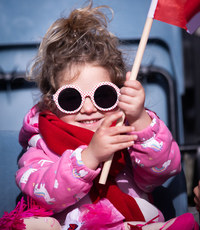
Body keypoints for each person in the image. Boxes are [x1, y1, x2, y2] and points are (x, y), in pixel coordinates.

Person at [0, 1, 198, 230]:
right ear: (50, 103)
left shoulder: (130, 131)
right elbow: (42, 193)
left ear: (119, 96)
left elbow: (163, 171)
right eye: (71, 98)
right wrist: (89, 157)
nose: (88, 108)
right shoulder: (42, 144)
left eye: (103, 95)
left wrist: (141, 120)